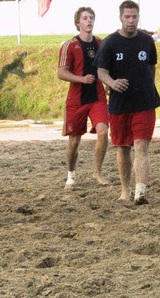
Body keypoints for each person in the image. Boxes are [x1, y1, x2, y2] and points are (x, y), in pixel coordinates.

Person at [94, 0, 160, 205]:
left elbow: (151, 67)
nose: (131, 21)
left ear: (139, 17)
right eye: (127, 17)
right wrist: (112, 83)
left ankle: (141, 191)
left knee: (141, 145)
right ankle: (125, 190)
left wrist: (147, 85)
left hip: (145, 102)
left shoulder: (147, 41)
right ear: (120, 18)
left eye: (134, 17)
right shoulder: (109, 43)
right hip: (120, 104)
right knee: (123, 147)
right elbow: (101, 71)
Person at [57, 7, 109, 189]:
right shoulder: (69, 45)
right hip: (76, 99)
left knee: (103, 132)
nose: (89, 21)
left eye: (91, 18)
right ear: (78, 23)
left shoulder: (102, 44)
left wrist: (109, 83)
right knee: (74, 141)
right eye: (85, 18)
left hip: (97, 97)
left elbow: (107, 68)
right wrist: (82, 79)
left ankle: (97, 172)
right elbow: (61, 73)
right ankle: (71, 175)